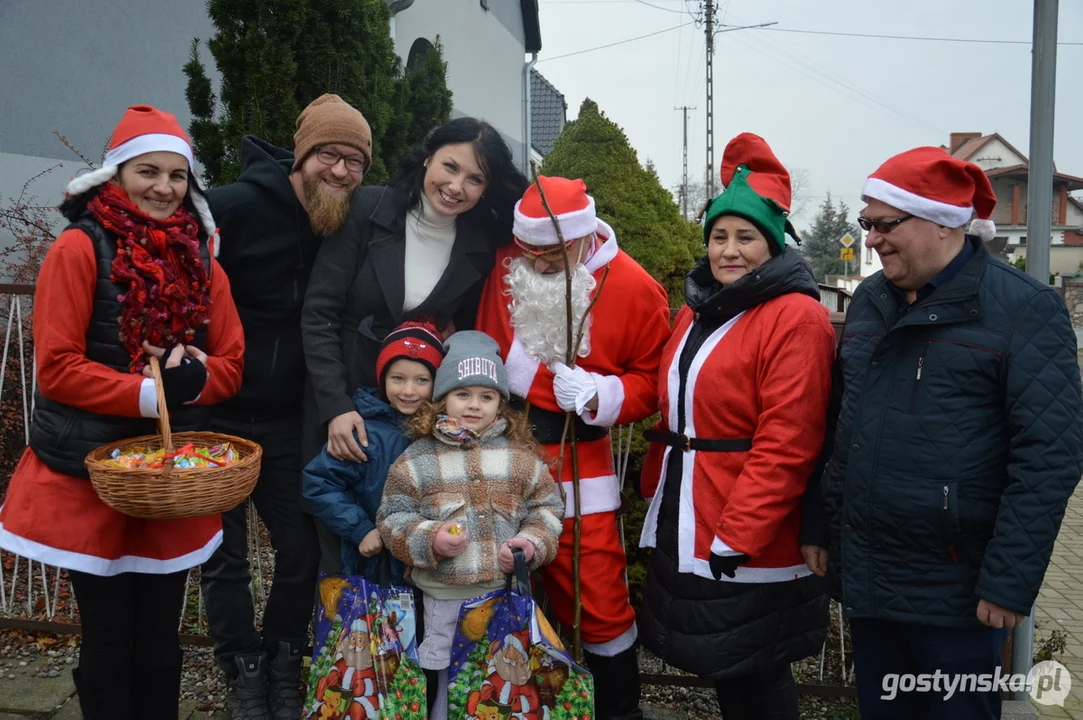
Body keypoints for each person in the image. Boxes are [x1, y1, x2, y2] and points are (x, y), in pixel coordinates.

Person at [804, 146, 1083, 719]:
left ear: (943, 222)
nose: (872, 240)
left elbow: (1049, 456)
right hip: (870, 574)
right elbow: (840, 423)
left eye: (886, 224)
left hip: (957, 590)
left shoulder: (1023, 309)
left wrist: (1008, 581)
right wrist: (819, 521)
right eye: (866, 224)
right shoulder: (871, 303)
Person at [0, 105, 244, 719]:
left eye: (178, 175)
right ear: (114, 175)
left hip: (168, 478)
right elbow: (56, 366)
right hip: (91, 476)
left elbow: (232, 364)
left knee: (162, 642)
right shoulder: (78, 250)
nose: (164, 187)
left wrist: (193, 379)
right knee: (108, 638)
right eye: (148, 171)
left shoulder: (203, 261)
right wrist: (151, 392)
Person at [637, 134, 833, 720]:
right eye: (719, 236)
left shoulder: (796, 316)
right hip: (695, 510)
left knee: (757, 667)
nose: (729, 250)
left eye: (745, 236)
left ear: (772, 245)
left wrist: (739, 533)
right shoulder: (697, 310)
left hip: (747, 522)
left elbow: (789, 438)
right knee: (730, 663)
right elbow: (670, 396)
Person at [199, 93, 374, 720]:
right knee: (224, 556)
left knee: (300, 549)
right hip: (213, 414)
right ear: (302, 155)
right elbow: (182, 287)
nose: (342, 170)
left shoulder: (343, 221)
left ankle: (282, 659)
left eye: (355, 160)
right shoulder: (231, 208)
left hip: (284, 419)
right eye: (329, 154)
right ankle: (240, 667)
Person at [474, 176, 670, 720]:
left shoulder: (633, 286)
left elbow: (654, 381)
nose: (535, 266)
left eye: (551, 255)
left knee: (597, 597)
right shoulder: (505, 264)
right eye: (528, 253)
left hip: (577, 466)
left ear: (584, 240)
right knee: (492, 585)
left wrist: (600, 393)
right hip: (498, 452)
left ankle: (618, 711)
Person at [302, 117, 529, 571]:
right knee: (342, 531)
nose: (456, 186)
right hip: (346, 388)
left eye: (475, 179)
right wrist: (335, 406)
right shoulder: (366, 208)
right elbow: (319, 313)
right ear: (427, 157)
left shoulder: (479, 240)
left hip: (419, 406)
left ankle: (416, 640)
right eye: (449, 166)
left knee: (417, 528)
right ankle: (345, 635)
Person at [377, 331, 564, 720]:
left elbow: (547, 510)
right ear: (443, 398)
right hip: (443, 593)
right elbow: (393, 516)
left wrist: (531, 544)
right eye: (463, 395)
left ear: (501, 403)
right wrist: (429, 539)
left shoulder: (520, 460)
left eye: (486, 396)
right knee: (446, 671)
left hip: (503, 593)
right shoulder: (418, 459)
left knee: (502, 670)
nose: (474, 406)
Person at [303, 320, 446, 581]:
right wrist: (361, 529)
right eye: (398, 378)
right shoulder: (365, 432)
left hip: (432, 563)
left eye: (421, 380)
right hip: (376, 565)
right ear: (383, 378)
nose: (408, 390)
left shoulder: (445, 434)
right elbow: (319, 483)